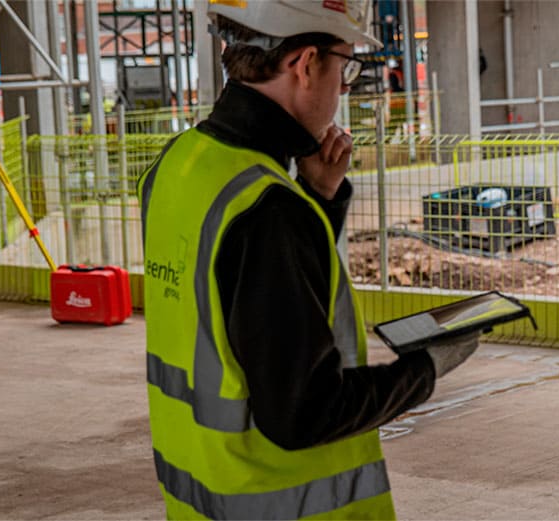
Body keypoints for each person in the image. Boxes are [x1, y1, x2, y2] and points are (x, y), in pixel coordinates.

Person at [139, 1, 479, 519]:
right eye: (346, 68)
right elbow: (305, 413)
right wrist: (424, 371)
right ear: (305, 64)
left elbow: (231, 308)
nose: (344, 88)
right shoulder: (268, 209)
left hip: (205, 497)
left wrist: (317, 198)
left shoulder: (179, 163)